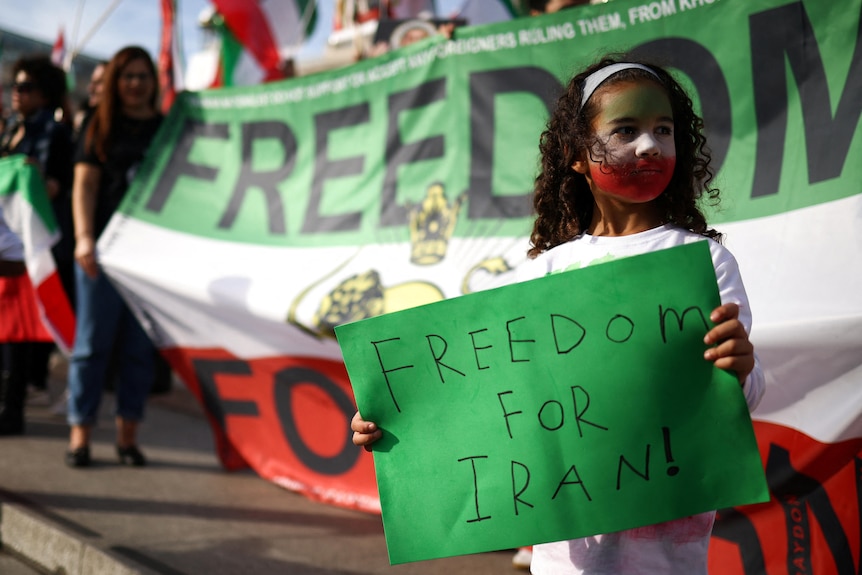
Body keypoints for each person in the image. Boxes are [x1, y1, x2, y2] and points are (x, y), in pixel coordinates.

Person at [351, 54, 765, 574]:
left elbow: (739, 403)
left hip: (669, 554)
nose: (649, 145)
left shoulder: (705, 264)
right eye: (626, 130)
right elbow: (485, 401)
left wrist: (742, 368)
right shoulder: (543, 276)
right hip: (567, 558)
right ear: (574, 155)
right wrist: (392, 423)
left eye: (664, 129)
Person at [66, 46, 163, 468]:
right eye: (128, 76)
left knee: (139, 351)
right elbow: (84, 186)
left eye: (144, 76)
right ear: (116, 82)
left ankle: (128, 438)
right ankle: (80, 437)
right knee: (91, 345)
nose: (136, 84)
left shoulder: (167, 128)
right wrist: (84, 237)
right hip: (99, 255)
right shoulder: (97, 124)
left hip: (148, 260)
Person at [0, 55, 74, 435]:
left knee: (20, 329)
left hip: (28, 243)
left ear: (44, 95)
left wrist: (26, 178)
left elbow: (55, 186)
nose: (16, 93)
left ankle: (13, 409)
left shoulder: (53, 132)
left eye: (25, 87)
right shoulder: (13, 127)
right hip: (5, 240)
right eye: (15, 86)